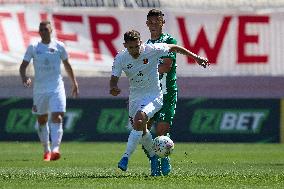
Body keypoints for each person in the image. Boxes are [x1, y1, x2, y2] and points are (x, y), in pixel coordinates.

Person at [110, 30, 208, 176]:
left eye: (136, 46)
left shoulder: (152, 49)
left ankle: (125, 157)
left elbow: (174, 48)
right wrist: (113, 87)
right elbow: (113, 79)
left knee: (139, 118)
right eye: (131, 48)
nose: (134, 50)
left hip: (154, 96)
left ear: (141, 43)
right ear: (125, 45)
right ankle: (155, 157)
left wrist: (196, 57)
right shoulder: (121, 58)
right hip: (135, 98)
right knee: (141, 130)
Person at [144, 9, 209, 176]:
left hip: (166, 93)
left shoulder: (168, 41)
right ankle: (153, 160)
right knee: (143, 130)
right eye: (150, 21)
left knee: (161, 131)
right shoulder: (145, 46)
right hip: (150, 94)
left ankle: (164, 158)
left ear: (162, 22)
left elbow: (166, 66)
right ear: (146, 24)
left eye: (156, 21)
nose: (153, 24)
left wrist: (145, 70)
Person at [19, 21, 79, 161]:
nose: (43, 32)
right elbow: (23, 66)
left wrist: (74, 82)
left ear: (51, 30)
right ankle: (46, 149)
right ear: (39, 32)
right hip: (40, 90)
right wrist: (24, 77)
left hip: (56, 87)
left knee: (58, 116)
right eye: (41, 30)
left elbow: (67, 65)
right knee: (42, 119)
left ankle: (55, 149)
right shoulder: (33, 47)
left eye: (46, 29)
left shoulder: (59, 46)